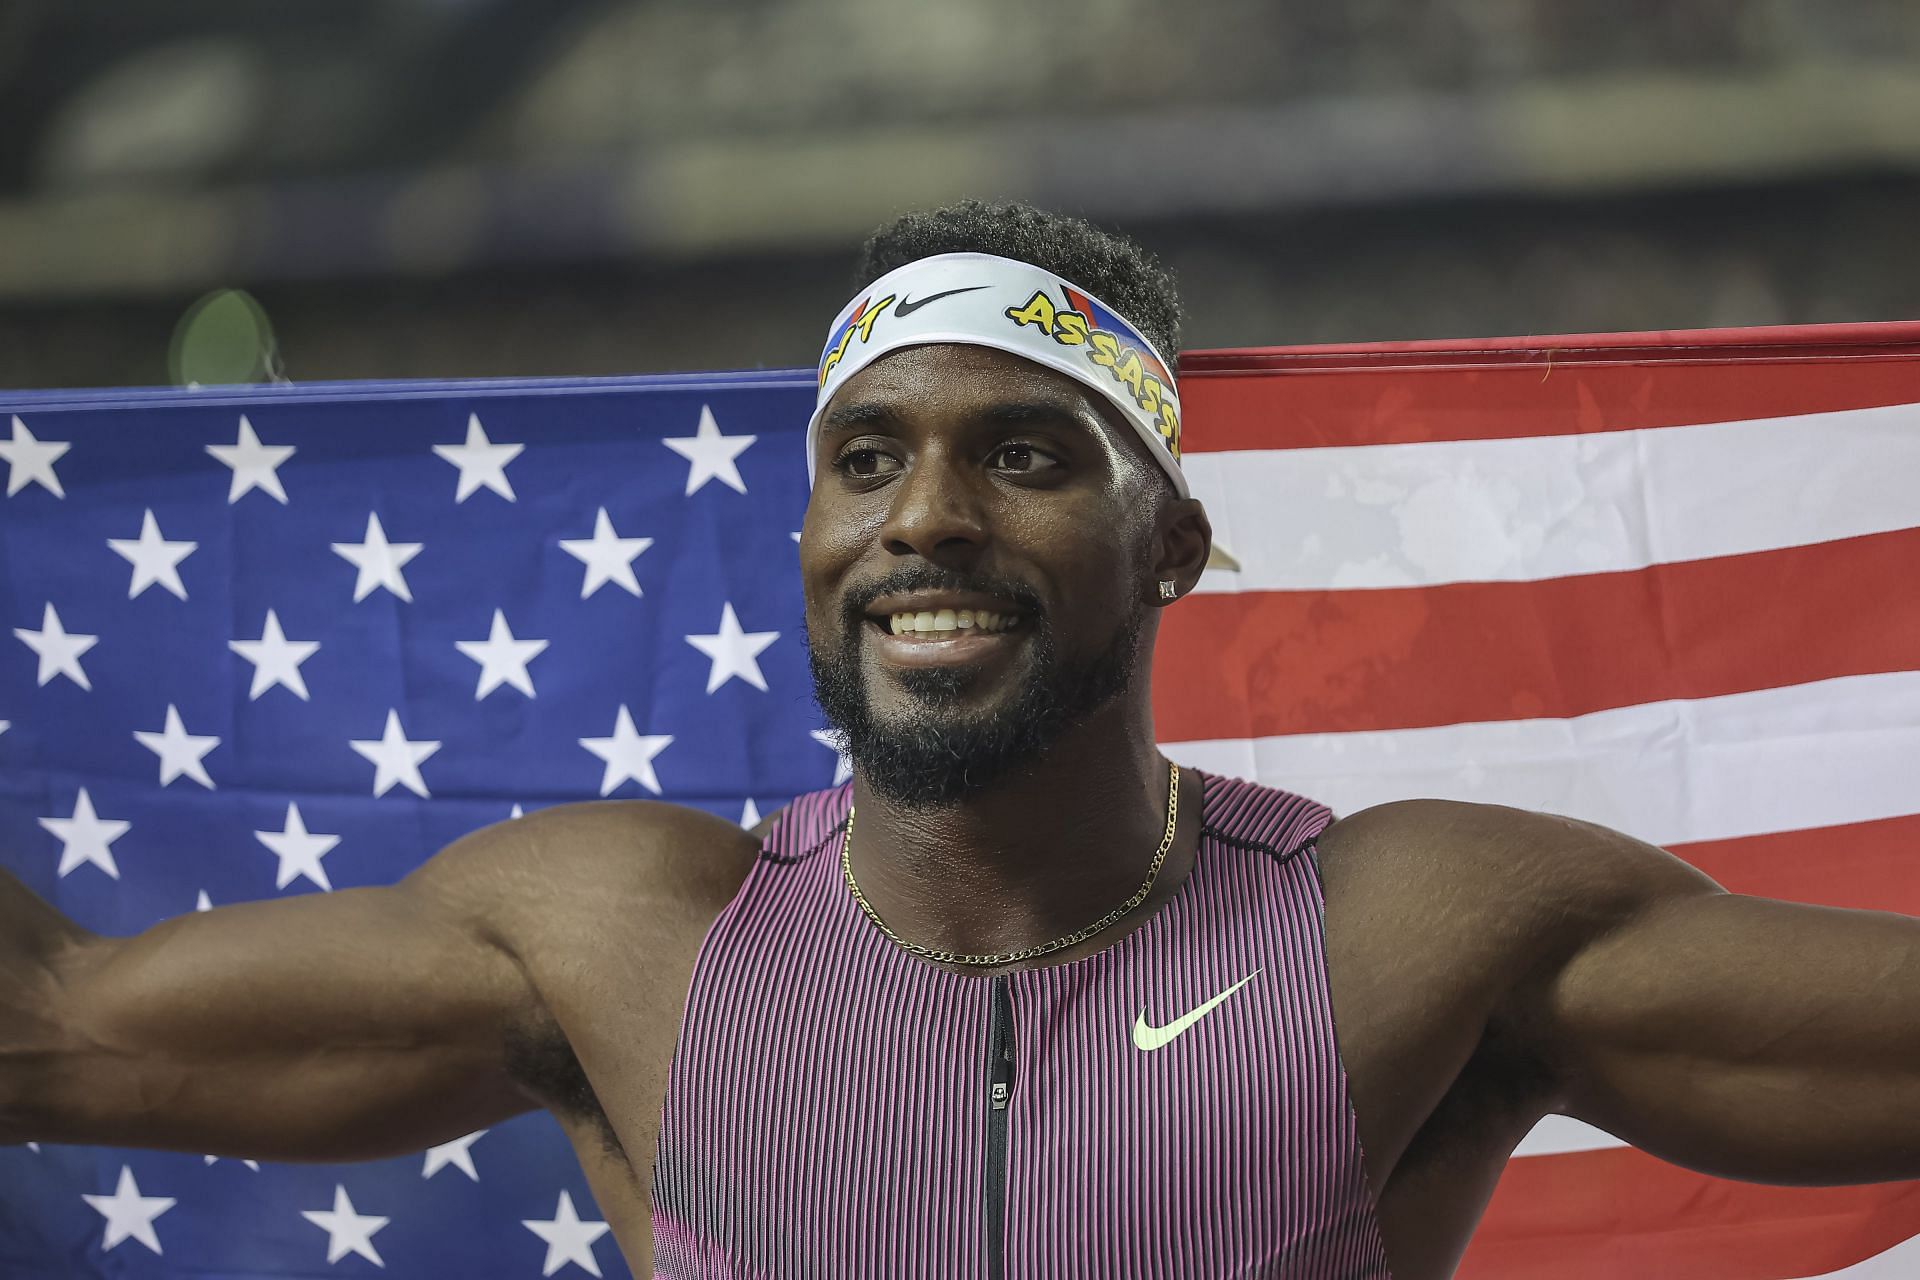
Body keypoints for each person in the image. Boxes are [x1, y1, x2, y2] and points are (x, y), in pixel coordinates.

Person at [3, 201, 1916, 1280]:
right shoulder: (615, 938)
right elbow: (57, 1029)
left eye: (1020, 455)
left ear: (1171, 541)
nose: (922, 518)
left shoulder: (1409, 931)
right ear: (814, 541)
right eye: (867, 461)